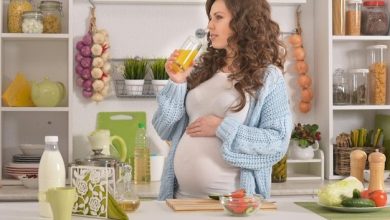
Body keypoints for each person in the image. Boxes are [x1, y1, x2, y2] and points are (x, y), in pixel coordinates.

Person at [152, 0, 292, 200]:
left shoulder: (268, 78)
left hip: (233, 205)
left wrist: (221, 128)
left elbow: (277, 142)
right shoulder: (201, 69)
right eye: (210, 18)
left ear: (243, 22)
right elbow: (163, 127)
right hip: (180, 200)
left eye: (218, 17)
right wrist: (177, 83)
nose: (209, 25)